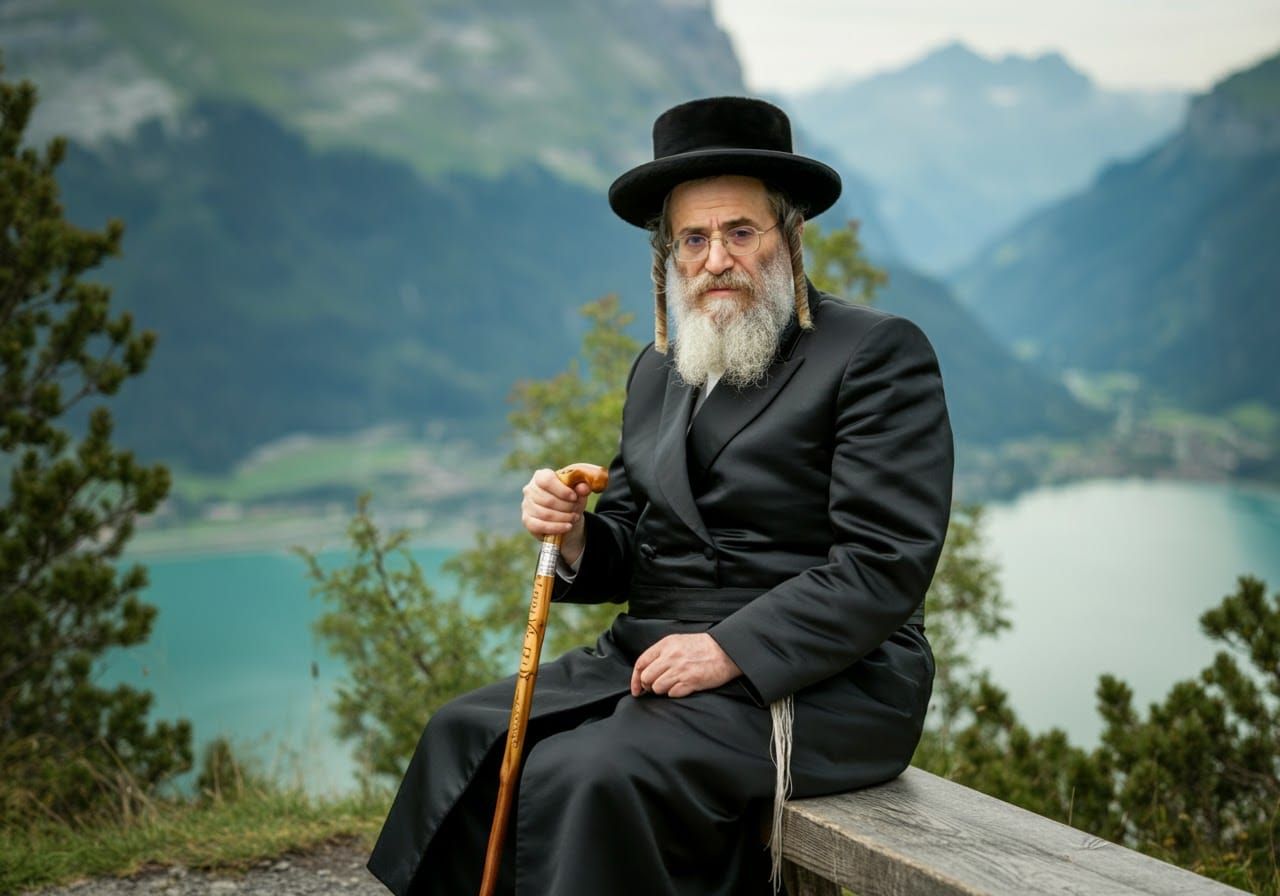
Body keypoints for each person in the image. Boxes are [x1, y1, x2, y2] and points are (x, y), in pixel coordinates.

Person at [367, 96, 953, 896]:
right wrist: (573, 535)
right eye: (695, 238)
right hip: (658, 652)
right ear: (669, 255)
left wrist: (730, 650)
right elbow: (639, 545)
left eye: (740, 232)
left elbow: (885, 565)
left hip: (821, 679)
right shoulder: (660, 369)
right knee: (462, 735)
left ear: (790, 235)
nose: (717, 258)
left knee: (588, 772)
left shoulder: (876, 353)